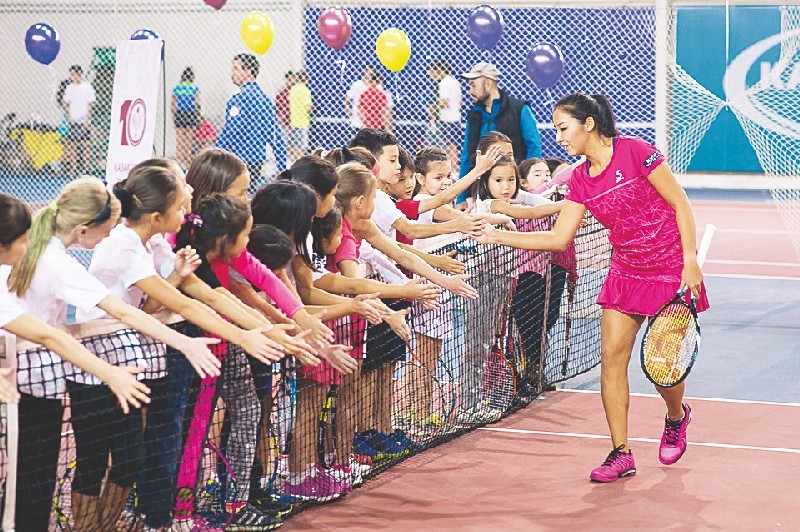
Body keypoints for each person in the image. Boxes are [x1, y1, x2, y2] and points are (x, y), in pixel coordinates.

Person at [477, 92, 709, 483]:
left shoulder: (636, 152)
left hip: (669, 267)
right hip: (626, 271)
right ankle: (621, 452)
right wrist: (498, 236)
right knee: (611, 360)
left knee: (662, 368)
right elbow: (558, 238)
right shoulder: (580, 180)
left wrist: (690, 260)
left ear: (588, 124)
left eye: (563, 128)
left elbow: (680, 202)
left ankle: (675, 415)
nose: (559, 138)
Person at [5, 177, 218, 531]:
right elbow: (120, 314)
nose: (107, 238)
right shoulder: (57, 263)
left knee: (35, 485)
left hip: (41, 380)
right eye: (105, 231)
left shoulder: (50, 255)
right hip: (33, 385)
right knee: (33, 489)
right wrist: (178, 345)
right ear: (83, 230)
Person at [457, 62, 542, 205]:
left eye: (473, 85)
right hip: (481, 191)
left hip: (513, 189)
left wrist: (523, 180)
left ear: (488, 84)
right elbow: (467, 155)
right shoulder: (474, 115)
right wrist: (461, 197)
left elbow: (533, 146)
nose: (470, 91)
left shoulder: (519, 109)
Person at [216, 54, 287, 193]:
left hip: (236, 160)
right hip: (256, 161)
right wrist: (282, 167)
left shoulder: (239, 98)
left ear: (248, 71)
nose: (232, 72)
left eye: (236, 68)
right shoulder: (264, 99)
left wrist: (213, 152)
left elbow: (231, 129)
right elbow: (274, 135)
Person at [427, 60, 462, 169]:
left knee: (450, 145)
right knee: (453, 145)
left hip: (447, 118)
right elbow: (460, 101)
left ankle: (452, 167)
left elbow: (445, 102)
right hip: (456, 116)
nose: (432, 76)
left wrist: (433, 107)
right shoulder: (455, 82)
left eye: (433, 73)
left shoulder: (443, 83)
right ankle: (454, 167)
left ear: (439, 70)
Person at [62, 65, 96, 174]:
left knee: (85, 144)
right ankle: (73, 168)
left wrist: (88, 119)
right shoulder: (70, 88)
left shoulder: (87, 87)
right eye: (71, 74)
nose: (72, 77)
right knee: (73, 144)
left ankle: (86, 168)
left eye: (74, 74)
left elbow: (90, 103)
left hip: (84, 119)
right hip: (73, 119)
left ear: (79, 74)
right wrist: (69, 117)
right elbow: (65, 102)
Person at [172, 67, 201, 171]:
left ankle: (179, 165)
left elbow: (173, 104)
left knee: (180, 142)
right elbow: (197, 103)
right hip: (191, 113)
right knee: (189, 142)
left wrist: (174, 117)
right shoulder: (194, 88)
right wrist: (199, 116)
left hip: (180, 114)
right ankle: (188, 165)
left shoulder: (177, 88)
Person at [287, 70, 313, 163]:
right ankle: (297, 162)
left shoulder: (293, 89)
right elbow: (309, 107)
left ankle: (292, 161)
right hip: (303, 122)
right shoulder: (305, 90)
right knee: (302, 147)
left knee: (295, 145)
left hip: (293, 121)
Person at [275, 70, 296, 145]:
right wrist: (280, 117)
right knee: (285, 144)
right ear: (286, 80)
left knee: (296, 145)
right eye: (289, 79)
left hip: (296, 123)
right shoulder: (282, 94)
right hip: (285, 124)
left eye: (293, 79)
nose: (292, 81)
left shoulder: (298, 92)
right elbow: (277, 108)